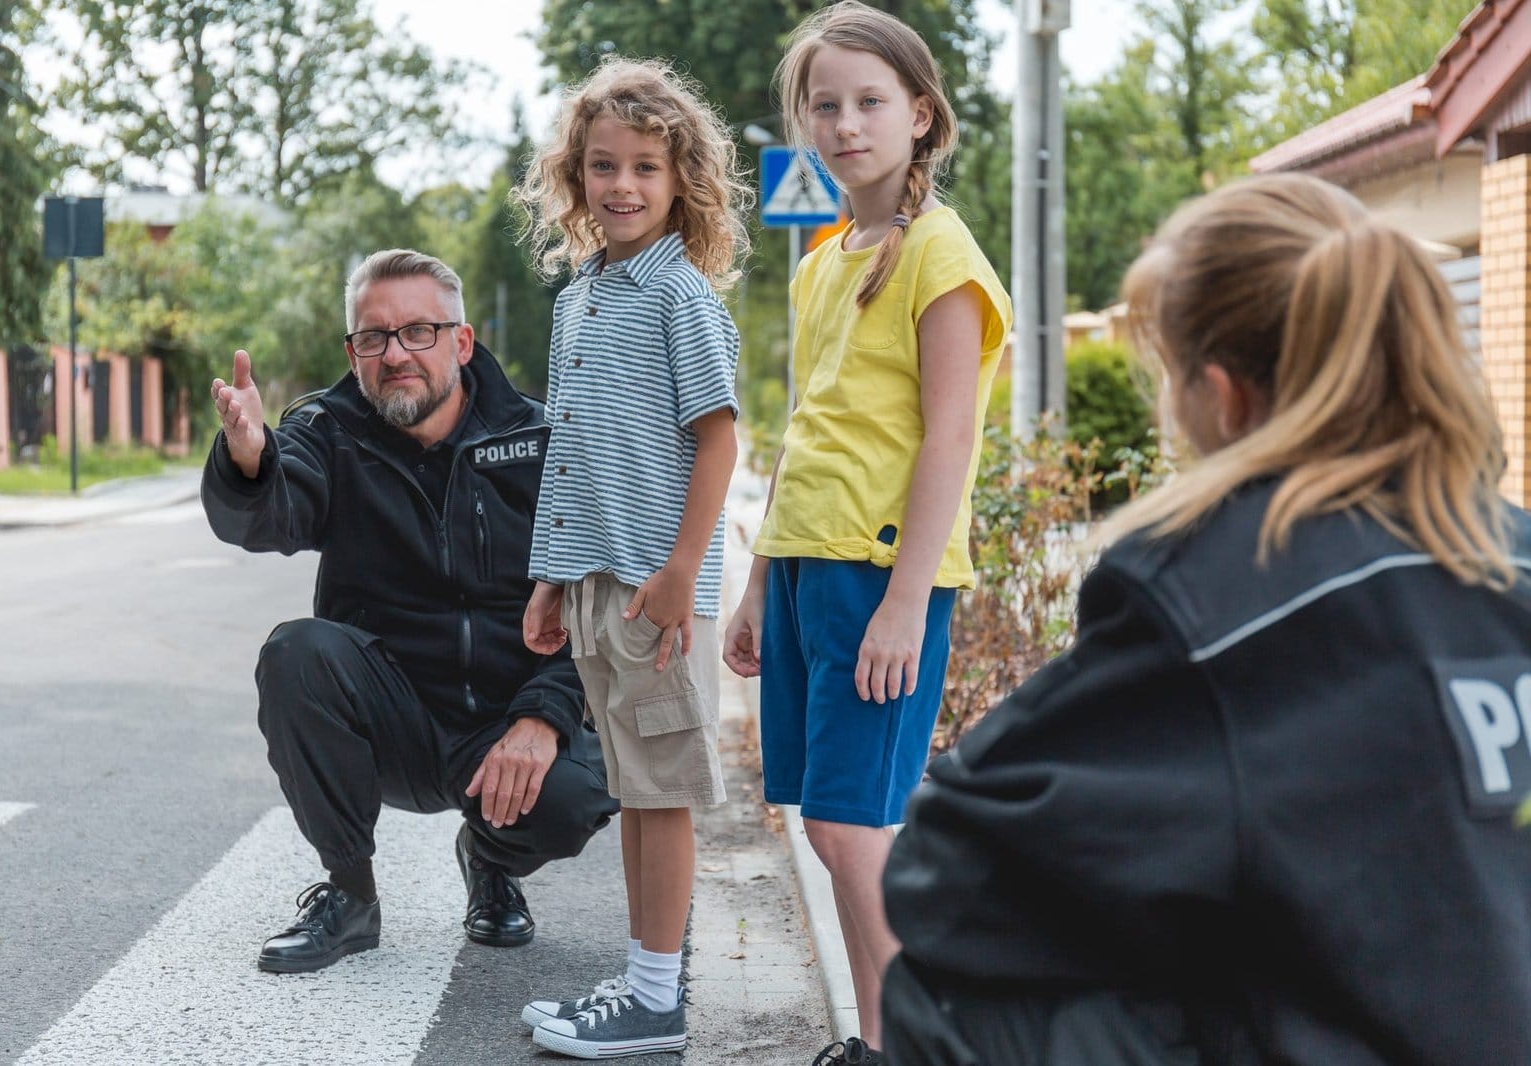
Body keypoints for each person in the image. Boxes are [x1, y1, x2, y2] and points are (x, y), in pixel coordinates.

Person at [880, 173, 1531, 1065]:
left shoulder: (1221, 594)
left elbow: (946, 873)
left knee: (943, 995)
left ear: (1224, 399)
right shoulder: (1514, 554)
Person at [721, 5, 1011, 1063]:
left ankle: (926, 1043)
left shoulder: (942, 254)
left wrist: (902, 598)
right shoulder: (823, 260)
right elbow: (811, 429)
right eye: (824, 105)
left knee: (853, 828)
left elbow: (950, 439)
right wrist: (759, 582)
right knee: (828, 825)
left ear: (920, 115)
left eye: (869, 101)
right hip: (806, 568)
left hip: (884, 575)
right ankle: (877, 1041)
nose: (846, 123)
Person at [202, 249, 617, 975]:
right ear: (354, 353)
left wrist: (545, 715)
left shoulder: (538, 439)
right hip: (390, 720)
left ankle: (490, 859)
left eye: (418, 332)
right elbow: (272, 515)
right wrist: (249, 459)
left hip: (501, 722)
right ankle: (350, 894)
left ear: (461, 341)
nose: (395, 353)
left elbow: (590, 598)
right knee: (297, 652)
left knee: (587, 785)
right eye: (374, 337)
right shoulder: (328, 433)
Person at [509, 56, 749, 1059]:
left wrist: (680, 570)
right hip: (600, 581)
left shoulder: (675, 294)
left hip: (657, 583)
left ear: (679, 179)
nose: (623, 187)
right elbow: (572, 447)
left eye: (645, 168)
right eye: (603, 166)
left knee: (660, 790)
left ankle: (657, 994)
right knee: (637, 787)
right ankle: (648, 979)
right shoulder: (581, 298)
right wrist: (549, 575)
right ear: (574, 177)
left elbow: (719, 436)